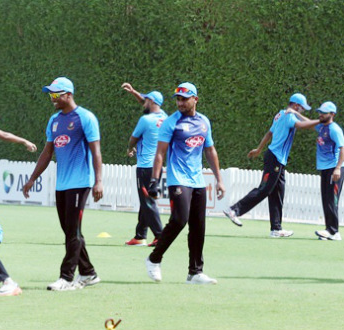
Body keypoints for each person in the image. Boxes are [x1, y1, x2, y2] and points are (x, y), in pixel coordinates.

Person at [23, 77, 104, 291]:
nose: (52, 99)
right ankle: (88, 273)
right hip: (62, 185)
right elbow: (47, 152)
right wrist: (32, 178)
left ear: (68, 94)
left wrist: (99, 181)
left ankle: (66, 278)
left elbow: (96, 152)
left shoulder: (85, 118)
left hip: (81, 183)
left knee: (72, 231)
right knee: (70, 231)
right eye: (50, 95)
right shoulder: (54, 120)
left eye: (55, 95)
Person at [144, 82, 225, 285]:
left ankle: (195, 272)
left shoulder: (204, 122)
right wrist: (154, 180)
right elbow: (160, 153)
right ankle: (154, 259)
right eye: (178, 99)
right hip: (177, 179)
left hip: (197, 180)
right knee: (179, 220)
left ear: (195, 99)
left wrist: (219, 179)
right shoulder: (171, 123)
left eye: (184, 98)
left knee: (198, 225)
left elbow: (210, 150)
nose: (180, 102)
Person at [223, 93, 319, 237]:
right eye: (302, 108)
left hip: (277, 159)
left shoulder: (280, 114)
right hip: (275, 158)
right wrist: (321, 120)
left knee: (278, 193)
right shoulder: (289, 117)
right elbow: (307, 126)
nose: (303, 111)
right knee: (265, 189)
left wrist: (258, 149)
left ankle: (276, 229)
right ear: (296, 106)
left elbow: (269, 133)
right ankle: (234, 210)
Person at [121, 83, 167, 247]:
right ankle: (140, 235)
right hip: (157, 167)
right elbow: (147, 104)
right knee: (145, 200)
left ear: (152, 102)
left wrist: (130, 148)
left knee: (147, 202)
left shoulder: (145, 120)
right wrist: (135, 92)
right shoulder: (164, 117)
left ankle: (160, 236)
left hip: (145, 167)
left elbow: (133, 138)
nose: (144, 101)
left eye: (146, 99)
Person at [311, 102, 344, 240]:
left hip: (334, 168)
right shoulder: (321, 127)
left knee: (332, 200)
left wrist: (337, 168)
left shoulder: (334, 129)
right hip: (325, 168)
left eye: (324, 113)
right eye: (320, 112)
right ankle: (329, 230)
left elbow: (343, 148)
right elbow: (308, 122)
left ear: (332, 114)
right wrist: (295, 114)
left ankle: (334, 231)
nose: (320, 115)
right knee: (326, 199)